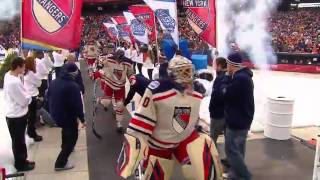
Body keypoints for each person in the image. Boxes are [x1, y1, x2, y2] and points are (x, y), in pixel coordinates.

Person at [117, 56, 223, 180]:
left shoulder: (196, 92)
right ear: (171, 73)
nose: (186, 76)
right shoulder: (157, 90)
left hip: (182, 139)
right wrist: (134, 148)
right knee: (156, 174)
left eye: (187, 71)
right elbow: (141, 124)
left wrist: (196, 129)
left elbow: (190, 119)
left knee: (203, 169)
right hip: (158, 145)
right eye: (182, 71)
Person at [221, 52, 255, 180]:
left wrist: (225, 80)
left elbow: (225, 94)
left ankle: (245, 176)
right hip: (243, 118)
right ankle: (235, 175)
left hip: (237, 120)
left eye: (227, 63)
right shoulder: (242, 76)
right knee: (238, 150)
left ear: (231, 64)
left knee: (232, 150)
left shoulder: (240, 79)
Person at [47, 62, 85, 171]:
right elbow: (77, 105)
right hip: (67, 116)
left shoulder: (54, 82)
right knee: (72, 137)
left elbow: (48, 96)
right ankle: (60, 163)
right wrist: (82, 119)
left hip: (56, 114)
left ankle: (65, 147)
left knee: (65, 132)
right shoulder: (73, 86)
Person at [4, 57, 35, 171]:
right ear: (18, 67)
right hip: (16, 115)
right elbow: (23, 100)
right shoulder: (14, 82)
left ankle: (23, 160)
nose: (25, 69)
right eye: (23, 66)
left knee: (19, 140)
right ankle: (20, 164)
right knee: (18, 142)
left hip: (15, 115)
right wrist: (29, 98)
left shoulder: (9, 75)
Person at [95, 49, 134, 133]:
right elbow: (102, 68)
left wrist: (132, 79)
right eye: (117, 57)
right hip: (109, 83)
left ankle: (119, 124)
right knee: (106, 102)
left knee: (120, 105)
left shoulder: (127, 64)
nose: (118, 59)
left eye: (120, 58)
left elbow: (130, 73)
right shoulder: (108, 60)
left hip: (120, 86)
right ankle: (101, 101)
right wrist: (99, 73)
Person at [24, 56, 43, 142]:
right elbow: (39, 83)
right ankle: (32, 133)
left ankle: (31, 131)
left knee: (31, 117)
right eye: (34, 62)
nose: (35, 63)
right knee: (32, 117)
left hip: (28, 95)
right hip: (32, 96)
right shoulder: (31, 73)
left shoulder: (26, 72)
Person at [209, 57, 228, 145]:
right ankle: (229, 157)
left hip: (218, 114)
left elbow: (218, 96)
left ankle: (213, 158)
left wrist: (212, 108)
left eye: (214, 65)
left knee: (212, 138)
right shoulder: (229, 76)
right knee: (228, 139)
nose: (213, 66)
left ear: (219, 66)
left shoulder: (220, 79)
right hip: (226, 113)